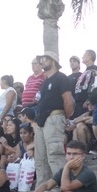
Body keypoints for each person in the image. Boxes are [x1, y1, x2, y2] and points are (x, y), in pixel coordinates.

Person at [34, 51, 75, 185]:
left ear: (53, 61)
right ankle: (42, 191)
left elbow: (68, 101)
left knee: (55, 155)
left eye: (45, 59)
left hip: (54, 118)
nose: (42, 62)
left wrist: (66, 118)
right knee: (40, 158)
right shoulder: (45, 81)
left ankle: (62, 186)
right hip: (42, 121)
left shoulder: (61, 77)